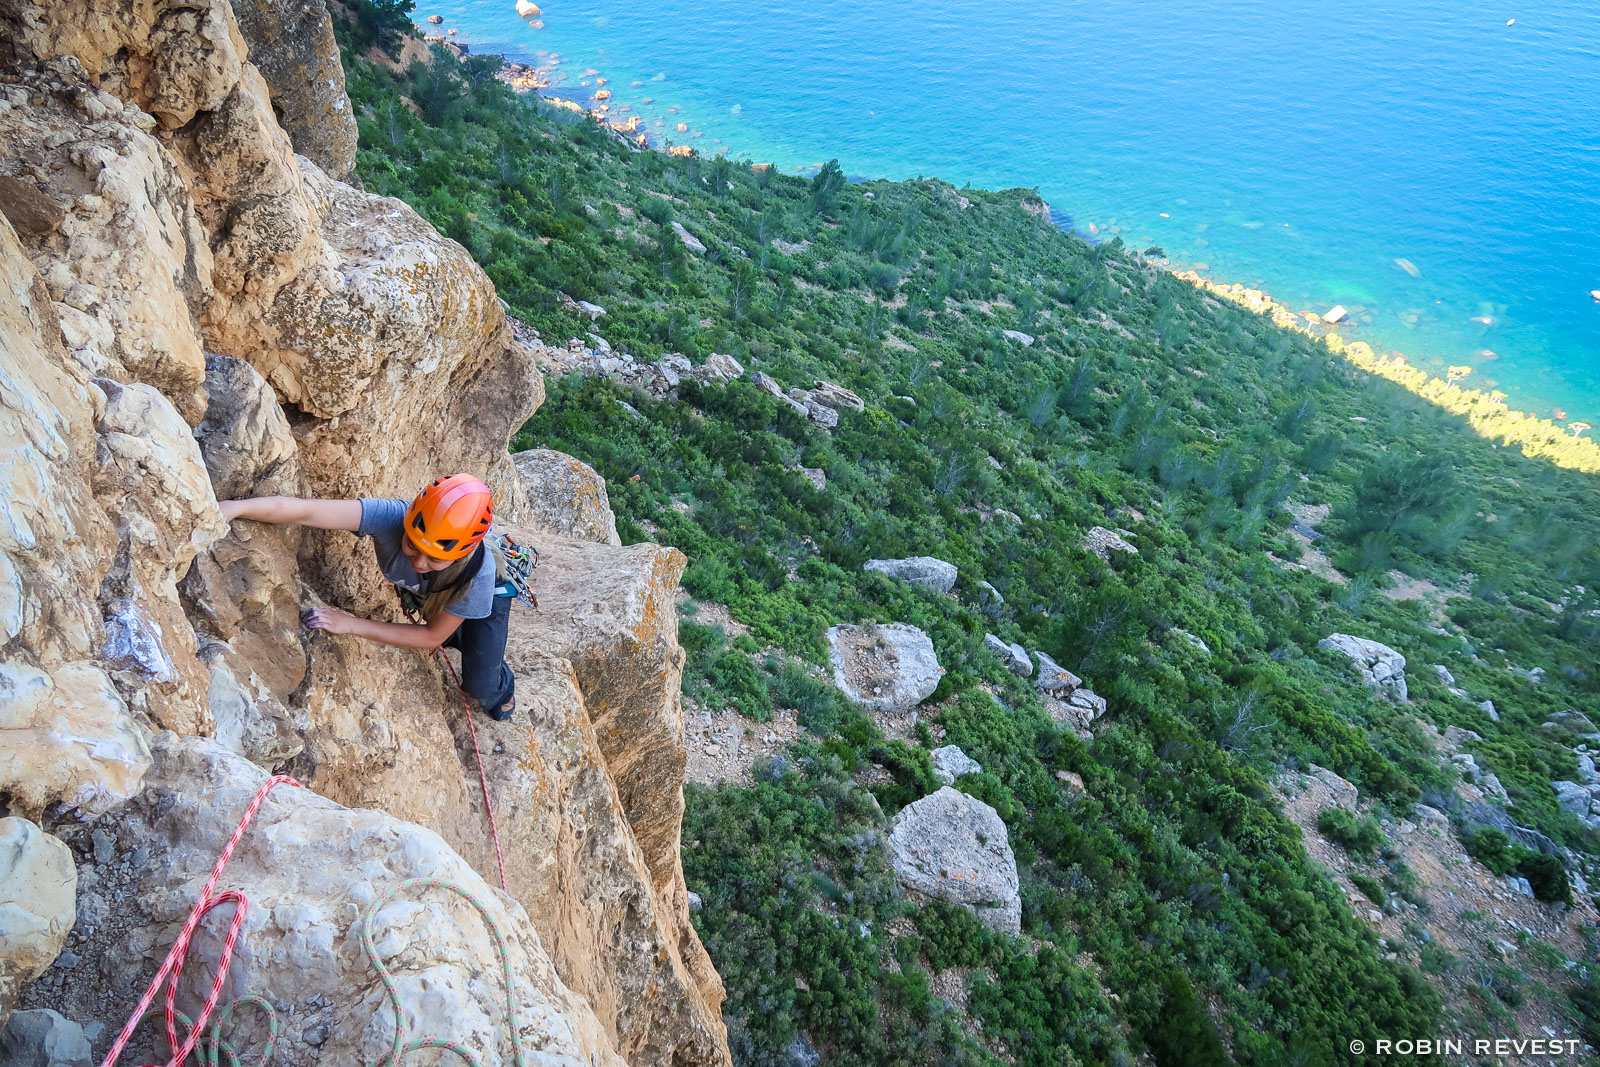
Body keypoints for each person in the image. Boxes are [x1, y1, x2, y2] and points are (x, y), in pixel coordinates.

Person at [218, 474, 516, 721]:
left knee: (480, 685)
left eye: (435, 558)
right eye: (412, 546)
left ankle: (504, 690)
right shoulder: (391, 518)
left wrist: (349, 624)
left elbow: (429, 637)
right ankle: (464, 638)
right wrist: (233, 508)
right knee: (455, 636)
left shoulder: (479, 576)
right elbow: (307, 511)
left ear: (460, 554)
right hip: (437, 594)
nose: (419, 562)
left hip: (486, 597)